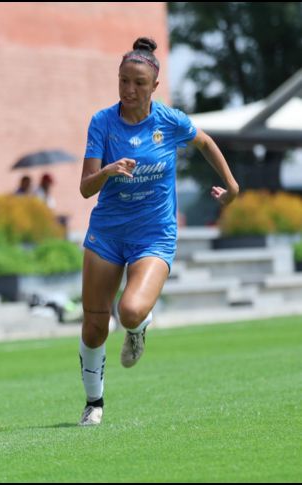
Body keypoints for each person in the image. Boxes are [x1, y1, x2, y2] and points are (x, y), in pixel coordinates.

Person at [77, 37, 239, 427]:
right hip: (107, 233)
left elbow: (205, 141)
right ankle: (94, 403)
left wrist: (231, 187)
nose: (129, 91)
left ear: (154, 87)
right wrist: (108, 170)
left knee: (130, 310)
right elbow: (85, 187)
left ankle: (138, 328)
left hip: (154, 234)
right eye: (123, 82)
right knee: (96, 324)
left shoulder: (169, 121)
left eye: (138, 83)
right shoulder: (102, 122)